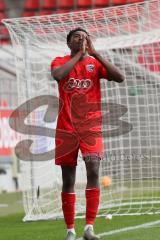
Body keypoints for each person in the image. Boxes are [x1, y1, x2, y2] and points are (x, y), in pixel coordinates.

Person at [51, 28, 124, 240]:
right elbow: (58, 75)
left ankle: (89, 228)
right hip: (66, 128)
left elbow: (120, 77)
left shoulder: (95, 63)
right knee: (69, 178)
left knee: (93, 168)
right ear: (69, 43)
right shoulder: (59, 60)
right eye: (77, 37)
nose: (82, 39)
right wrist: (77, 56)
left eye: (85, 36)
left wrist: (96, 54)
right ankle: (70, 230)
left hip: (91, 127)